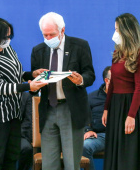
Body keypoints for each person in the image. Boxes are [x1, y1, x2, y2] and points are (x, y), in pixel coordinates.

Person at [0, 18, 47, 170]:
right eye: (4, 37)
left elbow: (16, 74)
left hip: (12, 112)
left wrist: (32, 74)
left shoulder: (8, 49)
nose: (7, 40)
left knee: (12, 155)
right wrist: (29, 86)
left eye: (9, 36)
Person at [31, 12, 95, 170]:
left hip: (71, 109)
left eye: (51, 34)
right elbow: (34, 79)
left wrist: (80, 79)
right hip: (48, 109)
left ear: (62, 30)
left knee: (71, 163)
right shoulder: (38, 50)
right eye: (44, 35)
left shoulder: (80, 46)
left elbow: (90, 74)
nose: (48, 38)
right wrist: (35, 79)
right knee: (49, 164)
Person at [102, 13, 140, 170]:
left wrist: (131, 116)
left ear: (127, 31)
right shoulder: (117, 54)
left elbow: (139, 88)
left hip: (132, 107)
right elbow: (113, 84)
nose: (115, 33)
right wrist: (106, 108)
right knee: (115, 151)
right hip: (116, 107)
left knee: (129, 153)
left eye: (117, 30)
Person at [83, 66, 111, 170]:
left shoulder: (125, 96)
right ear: (107, 80)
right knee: (85, 146)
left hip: (122, 136)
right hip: (101, 136)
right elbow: (83, 117)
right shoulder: (92, 97)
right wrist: (87, 130)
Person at [17, 91, 33, 170]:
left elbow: (28, 120)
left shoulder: (26, 96)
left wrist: (16, 133)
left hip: (19, 133)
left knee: (26, 148)